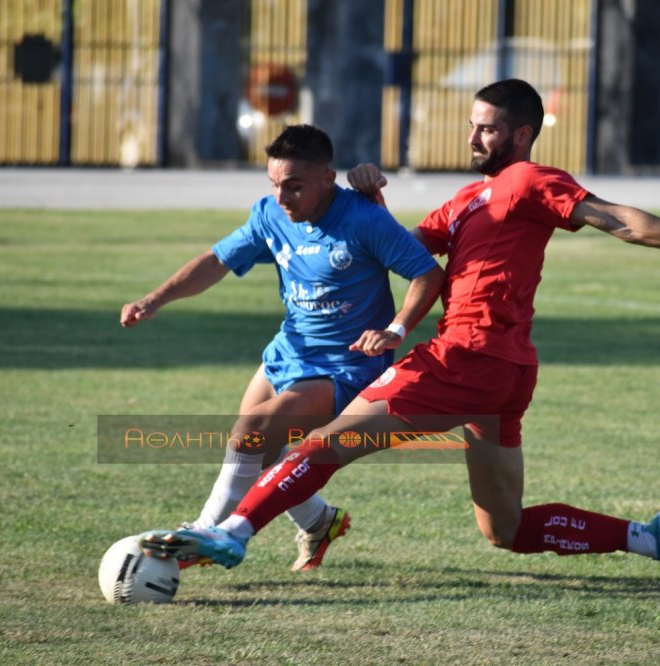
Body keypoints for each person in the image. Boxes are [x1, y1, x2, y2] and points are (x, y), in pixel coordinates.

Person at [140, 80, 660, 589]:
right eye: (473, 125)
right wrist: (368, 200)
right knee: (504, 529)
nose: (474, 136)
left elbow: (617, 218)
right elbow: (393, 251)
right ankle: (653, 537)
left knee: (321, 446)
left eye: (488, 128)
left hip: (465, 357)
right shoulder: (466, 201)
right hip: (507, 374)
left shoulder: (531, 181)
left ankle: (231, 535)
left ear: (522, 133)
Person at [123, 124, 443, 571]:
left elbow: (428, 273)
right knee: (260, 446)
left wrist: (396, 328)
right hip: (288, 351)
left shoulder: (364, 219)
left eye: (294, 186)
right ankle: (319, 521)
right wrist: (154, 298)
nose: (282, 196)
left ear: (327, 178)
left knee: (250, 430)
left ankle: (205, 530)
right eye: (274, 184)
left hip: (346, 364)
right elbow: (217, 261)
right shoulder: (269, 214)